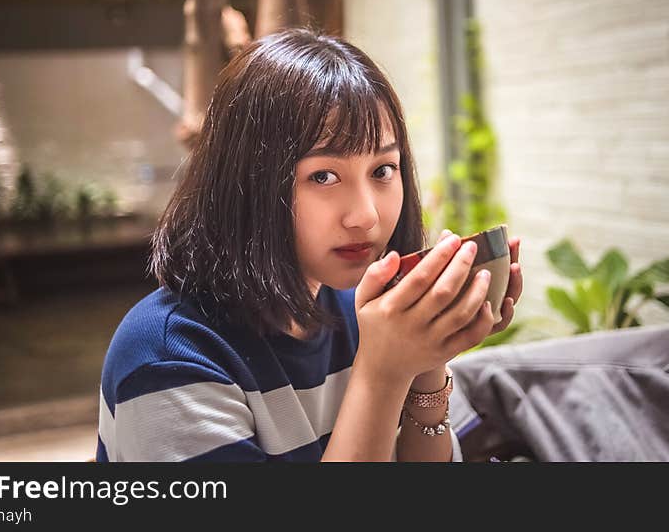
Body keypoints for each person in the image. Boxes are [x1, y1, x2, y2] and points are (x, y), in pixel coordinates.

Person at [96, 28, 523, 462]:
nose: (366, 216)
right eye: (323, 176)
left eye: (383, 170)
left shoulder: (365, 309)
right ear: (245, 183)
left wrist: (428, 360)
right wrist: (382, 375)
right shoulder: (167, 357)